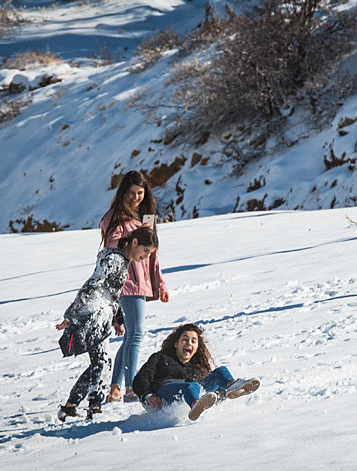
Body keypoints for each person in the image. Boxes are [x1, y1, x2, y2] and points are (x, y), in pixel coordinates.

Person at [55, 227, 159, 421]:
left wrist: (117, 319)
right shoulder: (114, 259)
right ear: (134, 242)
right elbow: (93, 283)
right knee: (102, 362)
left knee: (102, 362)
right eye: (146, 251)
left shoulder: (122, 260)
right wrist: (71, 314)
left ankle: (71, 407)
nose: (146, 257)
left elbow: (112, 294)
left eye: (149, 254)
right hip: (93, 313)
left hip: (102, 314)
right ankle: (94, 408)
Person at [100, 170, 170, 403]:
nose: (135, 197)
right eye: (131, 193)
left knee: (131, 335)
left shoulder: (144, 218)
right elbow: (112, 248)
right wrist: (129, 237)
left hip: (141, 283)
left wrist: (160, 284)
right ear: (122, 193)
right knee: (137, 335)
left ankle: (115, 388)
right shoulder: (115, 217)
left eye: (140, 193)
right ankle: (131, 387)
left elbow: (152, 255)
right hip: (127, 282)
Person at [132, 323, 260, 421]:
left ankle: (233, 387)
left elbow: (210, 393)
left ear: (197, 347)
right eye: (185, 339)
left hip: (194, 390)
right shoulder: (161, 357)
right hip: (165, 393)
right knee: (192, 385)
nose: (189, 343)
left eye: (193, 341)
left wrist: (219, 396)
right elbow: (141, 377)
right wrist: (147, 395)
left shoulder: (197, 367)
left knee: (221, 371)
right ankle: (196, 405)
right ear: (176, 343)